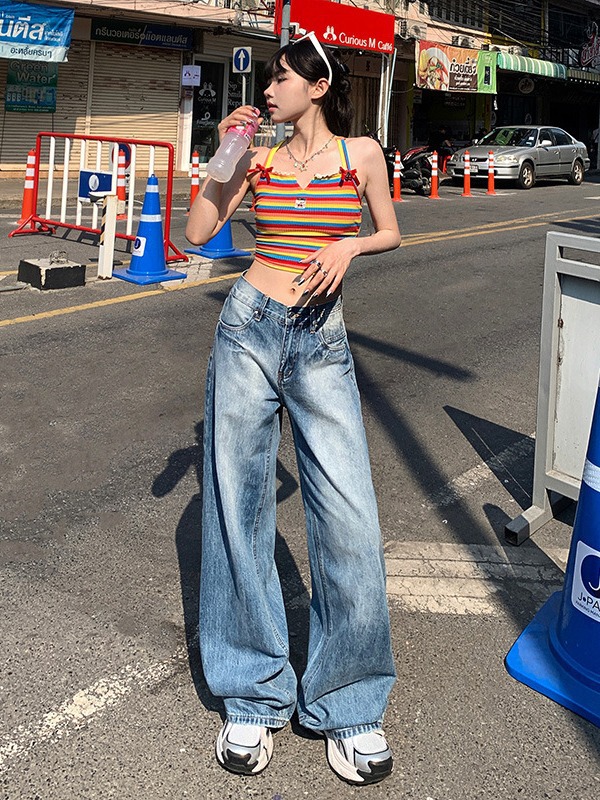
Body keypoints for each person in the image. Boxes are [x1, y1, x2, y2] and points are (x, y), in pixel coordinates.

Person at [186, 32, 400, 786]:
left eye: (280, 78)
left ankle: (350, 702)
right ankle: (252, 693)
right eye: (270, 79)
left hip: (321, 341)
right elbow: (197, 233)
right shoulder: (259, 157)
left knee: (348, 513)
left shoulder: (360, 155)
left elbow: (390, 230)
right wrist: (225, 152)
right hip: (248, 329)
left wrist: (349, 248)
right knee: (236, 507)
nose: (268, 89)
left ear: (317, 86)